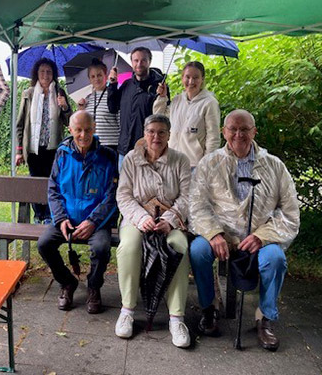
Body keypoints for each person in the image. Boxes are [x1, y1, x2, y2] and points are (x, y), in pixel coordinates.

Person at [189, 109, 300, 351]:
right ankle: (209, 309)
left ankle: (266, 318)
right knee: (198, 251)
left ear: (254, 132)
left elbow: (290, 213)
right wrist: (214, 233)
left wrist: (263, 236)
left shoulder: (274, 166)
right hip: (221, 234)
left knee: (276, 259)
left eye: (244, 129)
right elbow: (196, 205)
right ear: (223, 132)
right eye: (233, 129)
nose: (238, 134)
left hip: (260, 236)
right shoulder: (210, 163)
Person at [114, 114, 192, 348]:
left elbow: (187, 196)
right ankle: (127, 310)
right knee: (128, 246)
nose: (155, 137)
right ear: (144, 133)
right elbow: (124, 195)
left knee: (179, 246)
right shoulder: (131, 159)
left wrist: (169, 220)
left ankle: (176, 318)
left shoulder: (180, 160)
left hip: (170, 221)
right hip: (137, 218)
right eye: (151, 132)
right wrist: (141, 218)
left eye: (161, 132)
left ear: (169, 135)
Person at [37, 110, 118, 314]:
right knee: (44, 244)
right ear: (70, 130)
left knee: (101, 248)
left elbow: (112, 195)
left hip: (96, 222)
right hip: (67, 219)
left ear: (94, 128)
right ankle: (67, 282)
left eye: (88, 129)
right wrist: (61, 219)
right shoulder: (62, 153)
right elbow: (53, 188)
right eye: (79, 130)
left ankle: (93, 286)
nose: (84, 135)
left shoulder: (108, 156)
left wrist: (92, 221)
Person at [16, 58, 72, 224]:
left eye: (49, 72)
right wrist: (19, 150)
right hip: (33, 148)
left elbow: (70, 123)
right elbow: (20, 124)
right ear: (37, 74)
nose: (46, 75)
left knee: (52, 182)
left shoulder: (60, 93)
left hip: (53, 149)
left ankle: (48, 216)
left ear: (53, 74)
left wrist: (65, 107)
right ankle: (38, 215)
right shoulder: (29, 94)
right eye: (42, 72)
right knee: (35, 182)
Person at [107, 47, 168, 168]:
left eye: (143, 60)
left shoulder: (159, 86)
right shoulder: (126, 85)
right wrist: (112, 85)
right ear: (132, 62)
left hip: (148, 150)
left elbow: (163, 117)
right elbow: (113, 108)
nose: (139, 64)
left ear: (149, 61)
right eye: (136, 60)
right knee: (125, 186)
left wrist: (162, 96)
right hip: (124, 150)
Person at [154, 61, 221, 169]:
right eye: (187, 77)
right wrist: (162, 97)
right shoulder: (177, 100)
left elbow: (213, 137)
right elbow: (159, 119)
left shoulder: (209, 103)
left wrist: (207, 164)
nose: (191, 81)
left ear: (202, 79)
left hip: (194, 165)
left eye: (196, 77)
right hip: (172, 161)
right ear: (182, 78)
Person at [77, 58, 120, 152]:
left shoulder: (113, 95)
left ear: (106, 75)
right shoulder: (87, 98)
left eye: (99, 75)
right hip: (91, 145)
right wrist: (80, 109)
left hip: (110, 146)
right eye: (93, 76)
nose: (96, 79)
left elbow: (120, 123)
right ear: (89, 79)